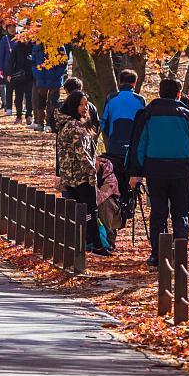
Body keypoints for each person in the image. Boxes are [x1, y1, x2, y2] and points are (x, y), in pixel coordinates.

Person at [131, 77, 189, 265]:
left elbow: (140, 144)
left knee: (158, 213)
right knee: (180, 213)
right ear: (179, 94)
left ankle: (158, 254)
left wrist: (138, 169)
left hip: (155, 170)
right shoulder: (187, 116)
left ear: (159, 92)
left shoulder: (148, 114)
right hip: (181, 170)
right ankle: (180, 253)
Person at [54, 88, 111, 255]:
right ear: (73, 106)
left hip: (69, 176)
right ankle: (96, 245)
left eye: (86, 104)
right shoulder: (75, 126)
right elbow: (82, 155)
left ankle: (82, 243)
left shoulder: (65, 124)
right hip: (81, 177)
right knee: (90, 211)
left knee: (78, 212)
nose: (85, 108)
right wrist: (92, 174)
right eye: (81, 105)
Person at [100, 69, 147, 227]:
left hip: (114, 146)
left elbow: (104, 122)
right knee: (131, 178)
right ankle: (130, 206)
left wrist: (110, 137)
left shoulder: (111, 98)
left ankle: (117, 210)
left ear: (119, 81)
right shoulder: (140, 100)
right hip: (133, 147)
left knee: (116, 178)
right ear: (135, 83)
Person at [29, 42, 67, 130]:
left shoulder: (59, 46)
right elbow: (33, 62)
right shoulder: (37, 46)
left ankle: (50, 123)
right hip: (41, 79)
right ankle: (40, 123)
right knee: (40, 101)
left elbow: (63, 63)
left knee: (53, 102)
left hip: (55, 79)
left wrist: (57, 75)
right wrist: (37, 74)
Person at [7, 37, 37, 125]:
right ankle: (19, 116)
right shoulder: (16, 46)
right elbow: (11, 61)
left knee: (29, 97)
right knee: (18, 97)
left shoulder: (34, 46)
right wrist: (9, 73)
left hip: (30, 76)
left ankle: (29, 115)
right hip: (18, 76)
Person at [0, 25, 18, 118]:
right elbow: (1, 55)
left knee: (19, 89)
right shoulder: (4, 39)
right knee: (9, 88)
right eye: (10, 27)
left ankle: (19, 107)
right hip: (7, 68)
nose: (12, 29)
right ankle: (8, 108)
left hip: (18, 67)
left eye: (13, 27)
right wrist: (0, 69)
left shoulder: (20, 37)